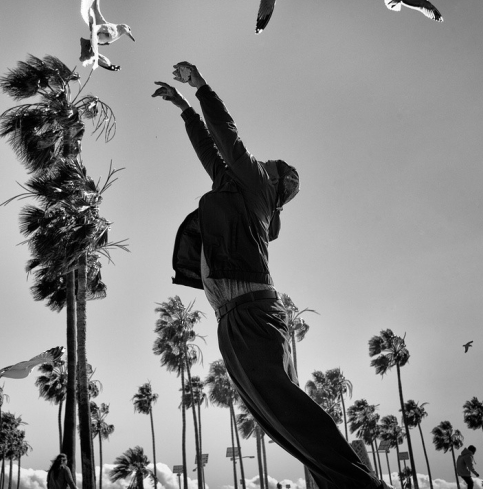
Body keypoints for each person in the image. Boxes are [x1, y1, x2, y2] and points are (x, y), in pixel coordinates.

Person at [152, 63, 382, 489]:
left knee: (288, 412)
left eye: (269, 164)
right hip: (236, 318)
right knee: (280, 419)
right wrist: (184, 109)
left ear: (273, 181)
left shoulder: (256, 187)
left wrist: (201, 87)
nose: (262, 161)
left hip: (251, 313)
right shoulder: (237, 189)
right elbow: (210, 150)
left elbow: (227, 136)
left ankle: (363, 486)